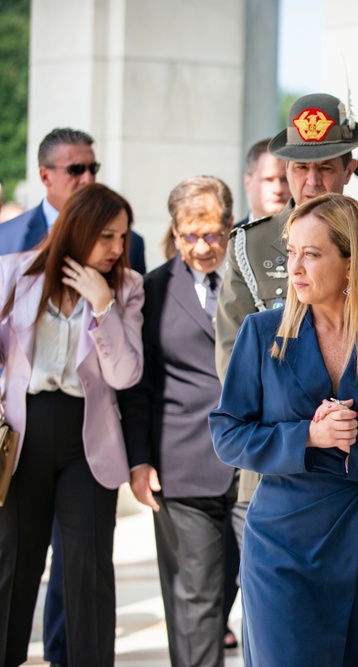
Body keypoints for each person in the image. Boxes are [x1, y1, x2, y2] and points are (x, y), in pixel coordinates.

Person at [209, 193, 358, 666]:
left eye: (311, 254)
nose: (295, 267)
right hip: (282, 543)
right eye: (291, 252)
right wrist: (307, 437)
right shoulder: (261, 333)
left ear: (353, 263)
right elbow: (227, 434)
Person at [215, 92, 358, 578]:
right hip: (283, 465)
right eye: (298, 168)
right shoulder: (251, 244)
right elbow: (233, 360)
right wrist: (311, 428)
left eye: (326, 167)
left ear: (351, 167)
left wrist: (349, 424)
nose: (312, 181)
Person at [0, 183, 143, 667]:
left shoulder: (126, 288)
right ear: (78, 229)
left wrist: (102, 305)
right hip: (24, 434)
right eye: (107, 236)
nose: (117, 249)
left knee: (87, 569)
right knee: (13, 563)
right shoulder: (15, 273)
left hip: (90, 439)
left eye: (123, 237)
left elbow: (125, 374)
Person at [119, 176, 238, 667]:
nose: (202, 246)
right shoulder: (153, 289)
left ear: (230, 227)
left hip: (254, 462)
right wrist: (140, 461)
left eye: (211, 233)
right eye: (190, 236)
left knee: (247, 584)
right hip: (183, 468)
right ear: (174, 230)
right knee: (197, 596)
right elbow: (139, 388)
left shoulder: (255, 283)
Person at [0, 127, 146, 273]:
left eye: (93, 168)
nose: (88, 179)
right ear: (45, 176)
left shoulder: (131, 244)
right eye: (76, 169)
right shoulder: (6, 238)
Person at [237, 138, 291, 227]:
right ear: (247, 182)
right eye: (268, 180)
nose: (278, 189)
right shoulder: (229, 239)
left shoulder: (309, 237)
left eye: (285, 180)